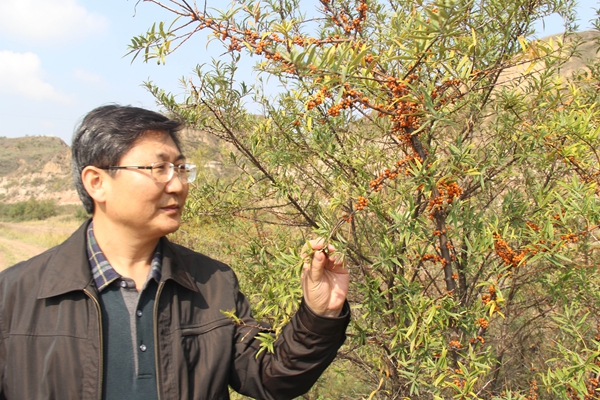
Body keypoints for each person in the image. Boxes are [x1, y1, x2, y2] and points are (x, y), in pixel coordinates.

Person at [0, 105, 350, 399]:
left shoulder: (213, 283)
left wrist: (319, 314)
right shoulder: (15, 296)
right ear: (97, 182)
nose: (178, 184)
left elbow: (267, 376)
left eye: (181, 168)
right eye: (160, 169)